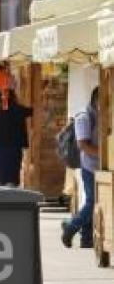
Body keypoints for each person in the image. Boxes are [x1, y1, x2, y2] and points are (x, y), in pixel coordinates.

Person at [62, 86, 100, 249]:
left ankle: (86, 239)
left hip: (102, 166)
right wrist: (106, 154)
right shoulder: (84, 117)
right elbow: (83, 145)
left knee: (96, 202)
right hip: (90, 166)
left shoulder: (103, 115)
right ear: (96, 99)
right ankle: (71, 226)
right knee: (92, 202)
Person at [0, 90, 32, 187]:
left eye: (6, 93)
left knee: (11, 174)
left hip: (12, 146)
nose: (4, 96)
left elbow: (30, 111)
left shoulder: (16, 109)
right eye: (2, 93)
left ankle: (9, 188)